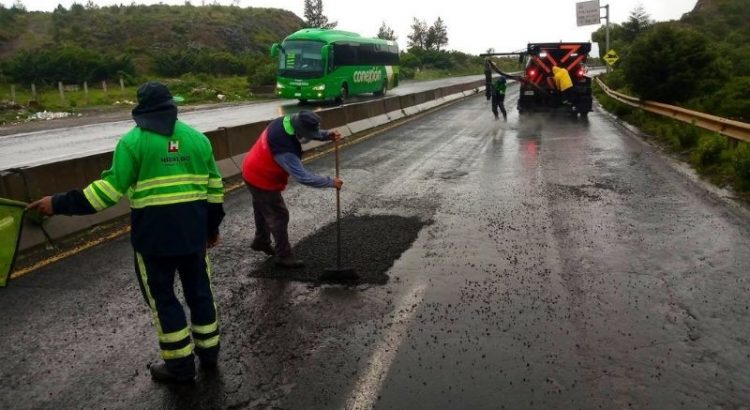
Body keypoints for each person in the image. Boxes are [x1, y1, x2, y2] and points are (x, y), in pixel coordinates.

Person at [27, 82, 225, 384]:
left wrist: (56, 203)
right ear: (172, 105)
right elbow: (215, 191)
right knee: (200, 292)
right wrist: (211, 230)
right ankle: (209, 355)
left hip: (154, 242)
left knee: (163, 299)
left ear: (141, 109)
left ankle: (180, 368)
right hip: (193, 237)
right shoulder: (198, 140)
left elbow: (103, 194)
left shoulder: (133, 143)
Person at [242, 110, 343, 268]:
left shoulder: (286, 120)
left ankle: (261, 240)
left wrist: (326, 135)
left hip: (251, 168)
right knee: (279, 215)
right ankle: (283, 256)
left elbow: (308, 132)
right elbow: (303, 177)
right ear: (299, 129)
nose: (308, 136)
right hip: (262, 177)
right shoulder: (284, 148)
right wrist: (330, 182)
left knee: (262, 206)